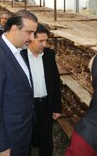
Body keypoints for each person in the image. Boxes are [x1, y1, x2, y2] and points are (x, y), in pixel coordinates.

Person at [0, 10, 38, 156]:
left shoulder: (18, 50)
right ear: (14, 29)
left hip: (22, 130)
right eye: (29, 32)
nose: (32, 38)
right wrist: (1, 146)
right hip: (10, 137)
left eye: (34, 33)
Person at [21, 24, 61, 156]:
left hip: (45, 104)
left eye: (46, 41)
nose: (44, 44)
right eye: (41, 41)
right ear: (31, 39)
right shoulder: (21, 56)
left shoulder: (49, 55)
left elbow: (55, 82)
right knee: (26, 137)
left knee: (46, 140)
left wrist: (56, 107)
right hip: (27, 105)